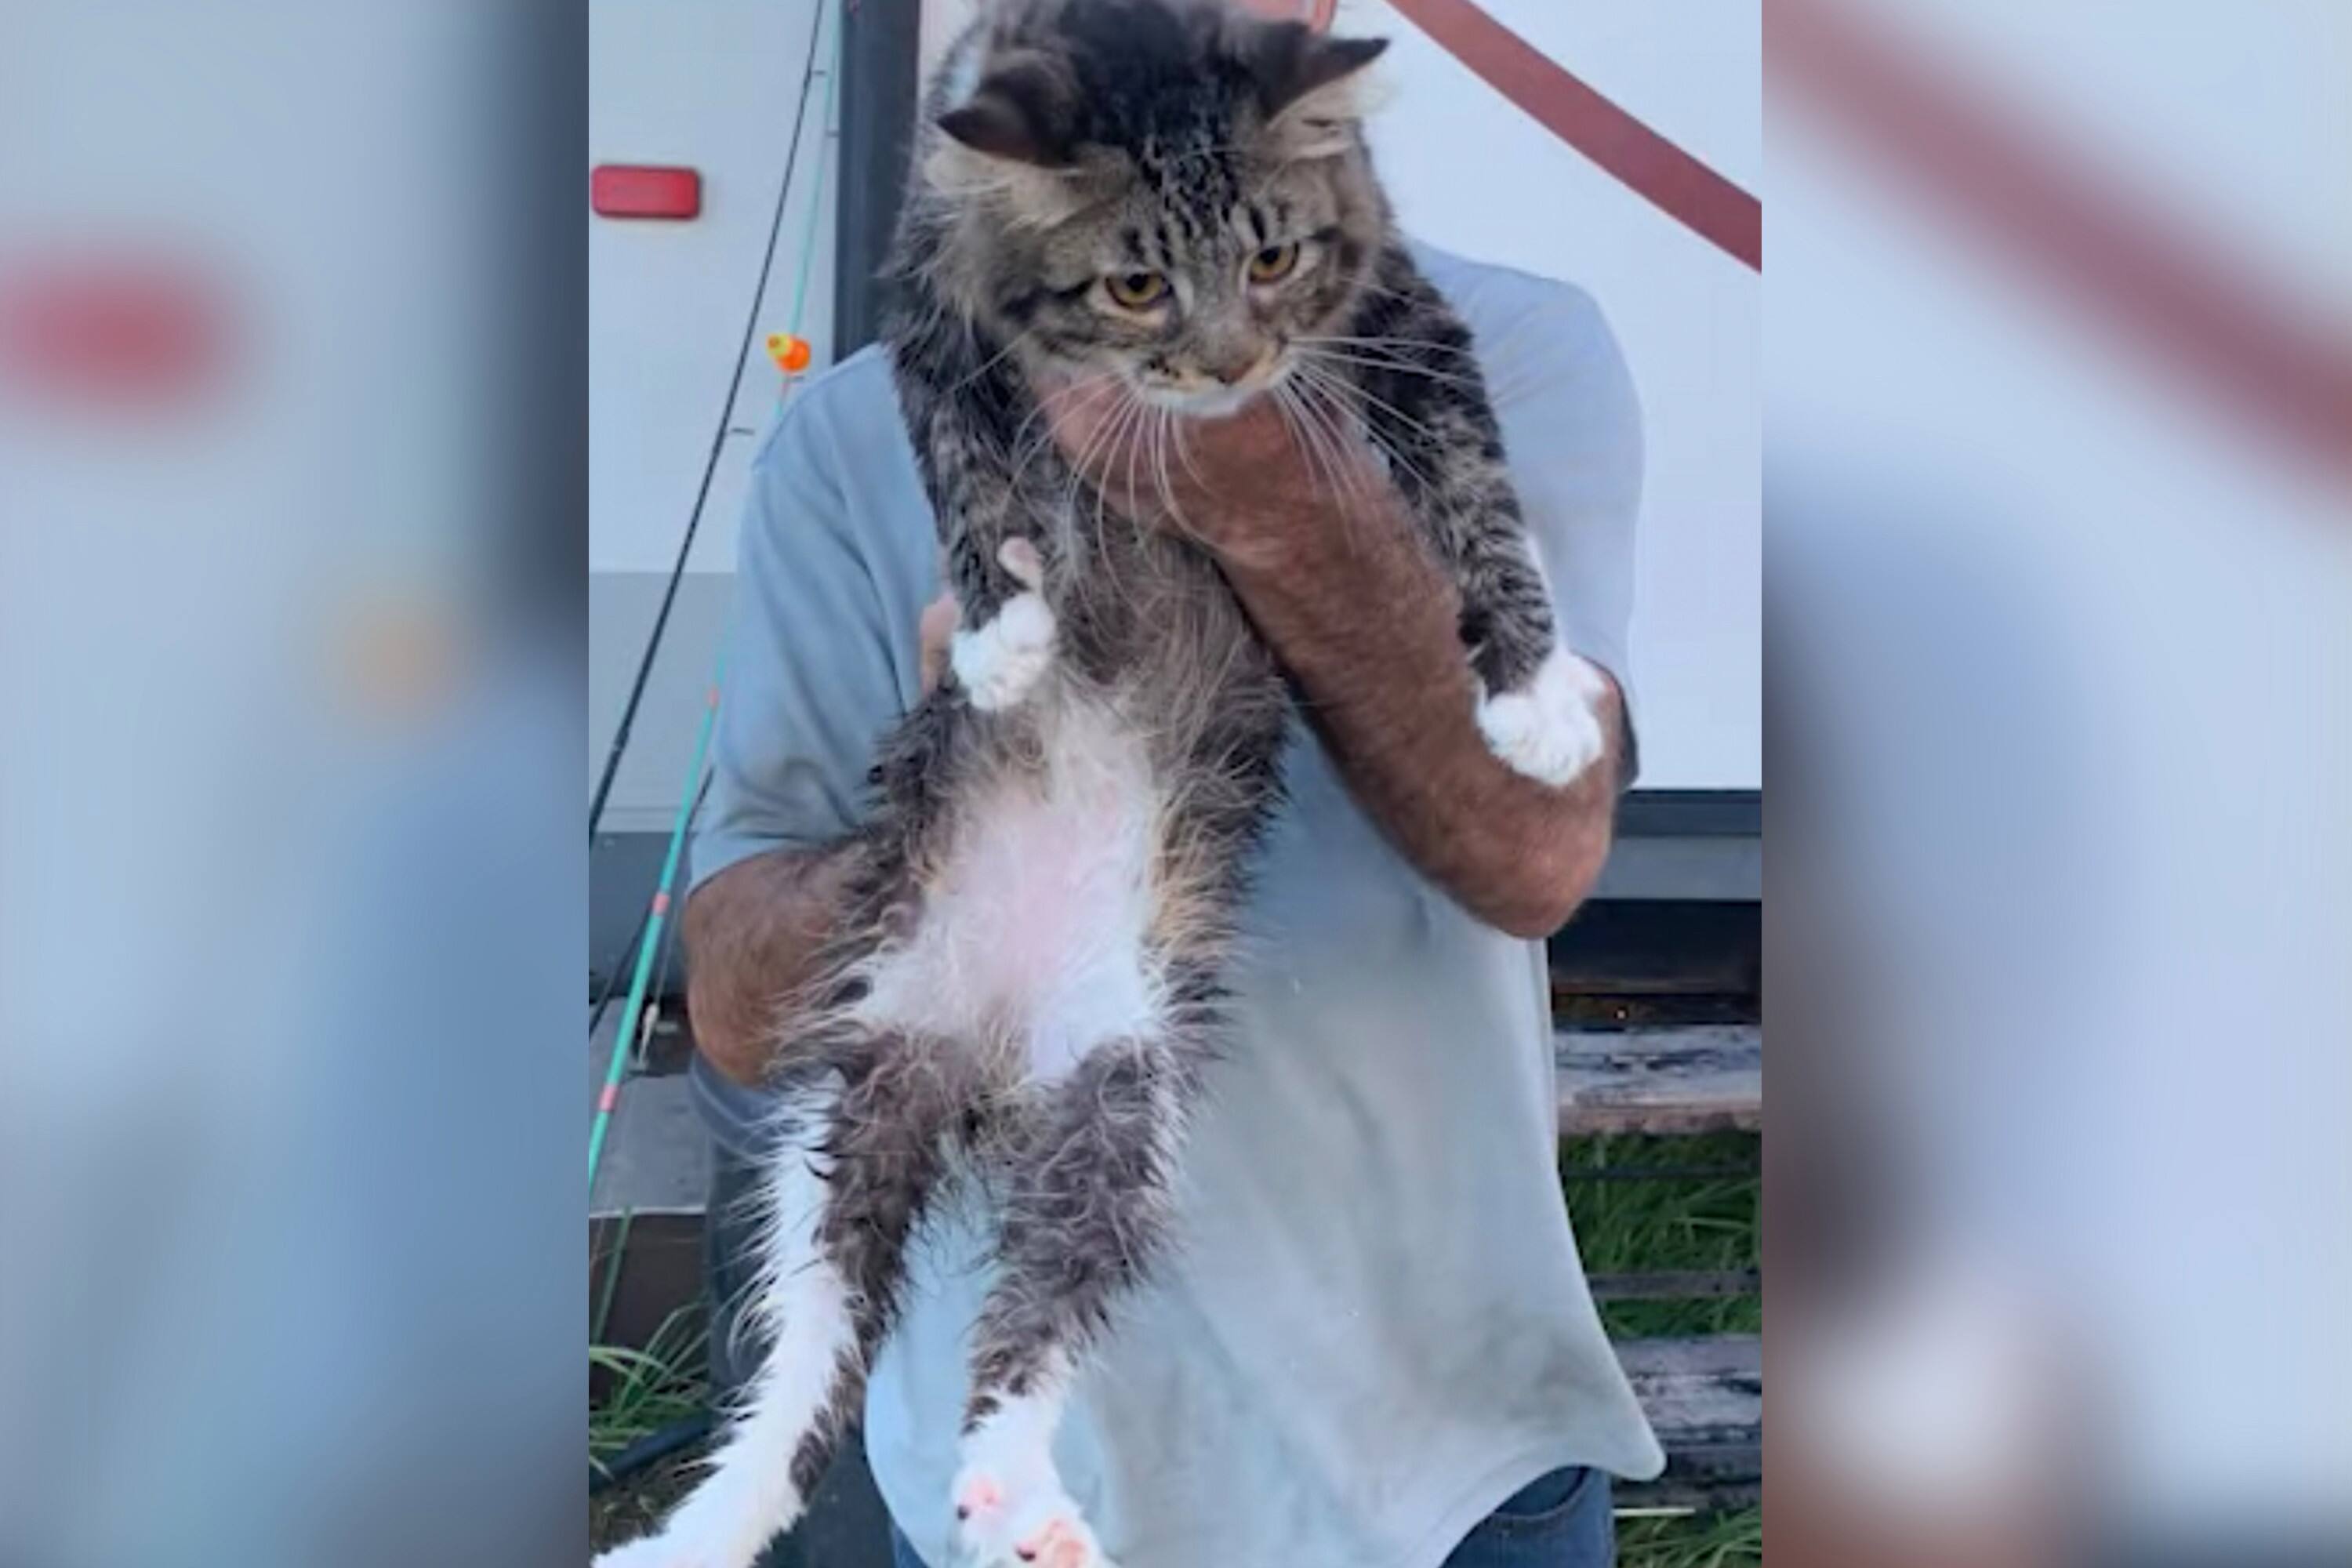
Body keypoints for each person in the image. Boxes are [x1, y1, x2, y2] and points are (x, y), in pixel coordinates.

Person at [684, 244, 1663, 1568]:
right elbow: (736, 1008)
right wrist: (948, 831)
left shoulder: (1494, 347)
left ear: (1313, 28)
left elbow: (1539, 854)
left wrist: (1278, 505)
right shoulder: (854, 432)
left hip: (1448, 1470)